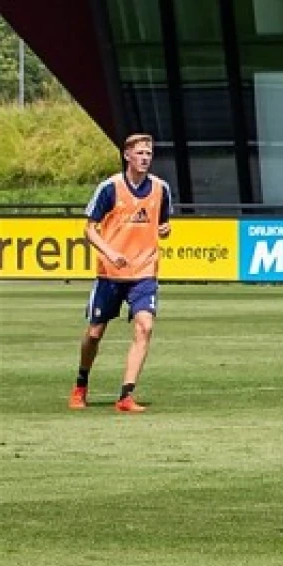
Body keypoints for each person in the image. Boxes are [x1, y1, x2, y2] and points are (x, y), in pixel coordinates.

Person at [72, 133, 173, 413]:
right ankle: (81, 383)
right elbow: (89, 228)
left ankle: (126, 395)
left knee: (145, 326)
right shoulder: (110, 188)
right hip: (110, 274)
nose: (145, 157)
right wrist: (109, 252)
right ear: (127, 156)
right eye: (140, 153)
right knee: (94, 334)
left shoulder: (160, 188)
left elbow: (163, 223)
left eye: (149, 153)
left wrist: (166, 229)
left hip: (144, 272)